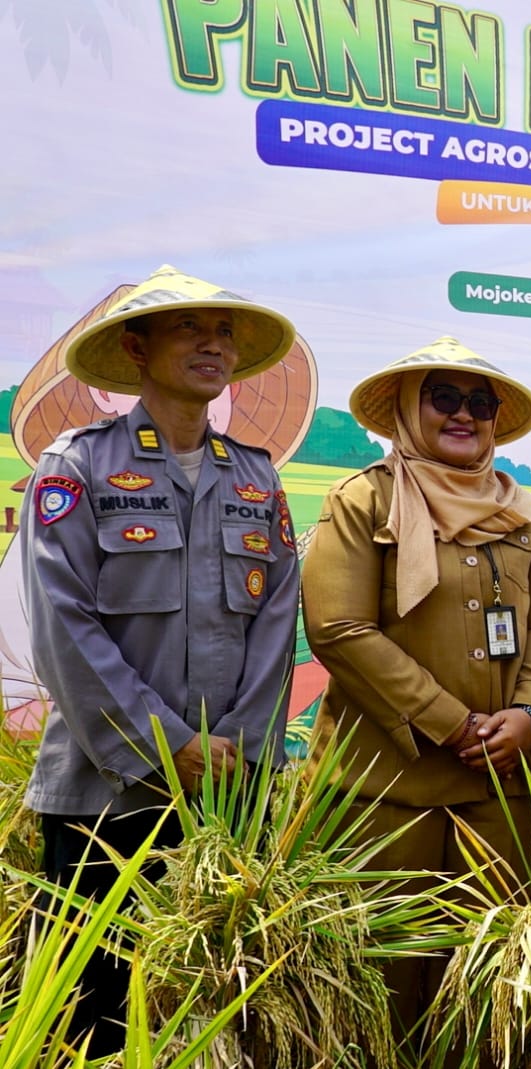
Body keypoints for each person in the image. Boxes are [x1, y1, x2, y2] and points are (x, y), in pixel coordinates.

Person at [20, 265, 301, 1057]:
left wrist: (240, 751)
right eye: (190, 329)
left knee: (221, 1006)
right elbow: (62, 626)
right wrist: (166, 742)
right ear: (136, 350)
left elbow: (278, 624)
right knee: (98, 1010)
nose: (214, 344)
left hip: (226, 797)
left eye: (224, 333)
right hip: (104, 800)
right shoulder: (77, 467)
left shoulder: (256, 477)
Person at [302, 337, 531, 1051]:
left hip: (502, 789)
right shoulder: (364, 499)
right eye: (443, 399)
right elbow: (338, 626)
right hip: (385, 786)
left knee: (486, 977)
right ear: (407, 412)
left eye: (480, 403)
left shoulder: (522, 509)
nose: (465, 415)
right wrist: (452, 722)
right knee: (386, 980)